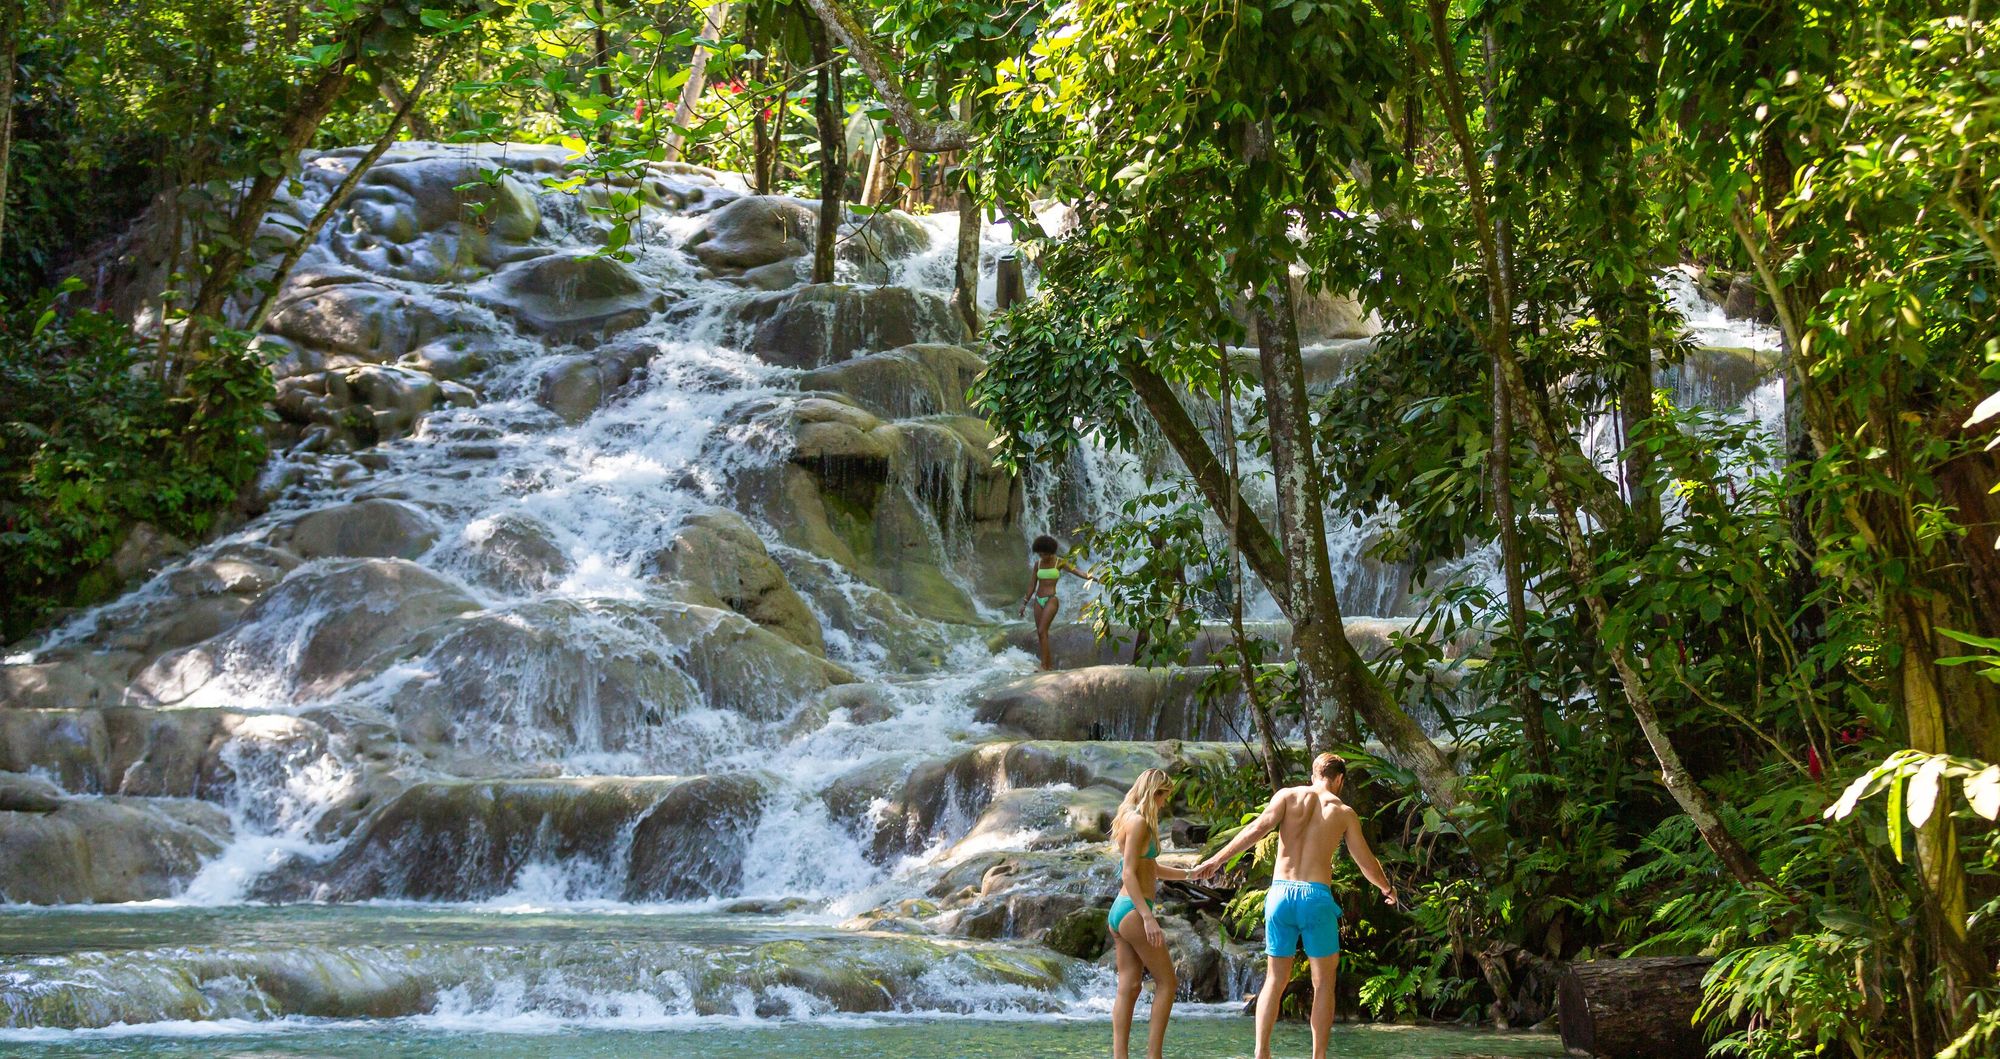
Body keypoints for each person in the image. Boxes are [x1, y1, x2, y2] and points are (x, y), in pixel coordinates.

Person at [1192, 753, 1398, 1059]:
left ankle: (1261, 1053)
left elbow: (1255, 831)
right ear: (1339, 779)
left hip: (1280, 896)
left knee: (1275, 980)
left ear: (1313, 773)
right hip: (1316, 898)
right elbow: (1365, 862)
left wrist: (1216, 859)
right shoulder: (1343, 812)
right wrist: (1387, 888)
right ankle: (1318, 1056)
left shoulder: (1287, 796)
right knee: (1323, 983)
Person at [1108, 768, 1197, 1059]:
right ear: (1153, 793)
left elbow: (1151, 868)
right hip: (1133, 911)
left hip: (1120, 913)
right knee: (1167, 983)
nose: (1164, 804)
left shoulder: (1128, 816)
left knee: (1130, 986)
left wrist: (1190, 874)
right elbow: (1129, 874)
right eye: (1163, 797)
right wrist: (1147, 917)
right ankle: (1153, 1056)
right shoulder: (1139, 823)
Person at [1018, 534, 1094, 671]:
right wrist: (1024, 603)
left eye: (1044, 554)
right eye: (1040, 554)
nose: (1042, 557)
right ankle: (1047, 665)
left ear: (1051, 552)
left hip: (1051, 600)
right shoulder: (1038, 564)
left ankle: (1044, 666)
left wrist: (1095, 578)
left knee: (1042, 630)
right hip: (1038, 600)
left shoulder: (1060, 562)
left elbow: (1077, 572)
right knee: (1041, 634)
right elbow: (1032, 585)